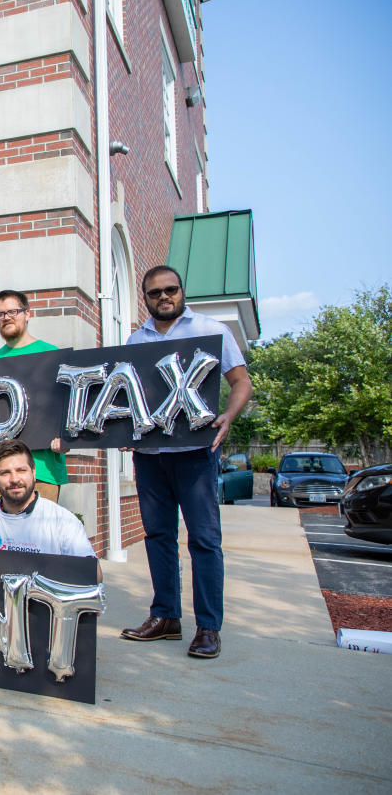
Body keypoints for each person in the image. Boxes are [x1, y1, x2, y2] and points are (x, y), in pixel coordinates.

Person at [119, 265, 252, 660]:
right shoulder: (134, 339)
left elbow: (241, 381)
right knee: (158, 538)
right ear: (145, 297)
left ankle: (208, 628)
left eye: (170, 290)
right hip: (149, 457)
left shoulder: (211, 331)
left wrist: (228, 415)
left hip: (196, 455)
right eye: (154, 292)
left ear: (181, 291)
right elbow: (128, 392)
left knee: (204, 541)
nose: (164, 297)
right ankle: (166, 617)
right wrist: (124, 430)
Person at [0, 290, 68, 505]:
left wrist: (67, 438)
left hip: (41, 466)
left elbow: (67, 408)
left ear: (27, 314)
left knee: (39, 534)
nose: (6, 317)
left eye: (13, 311)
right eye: (0, 314)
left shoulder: (51, 355)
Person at [0, 439, 98, 566]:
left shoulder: (63, 520)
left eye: (21, 471)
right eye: (5, 473)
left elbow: (92, 575)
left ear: (33, 472)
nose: (14, 479)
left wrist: (68, 438)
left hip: (46, 459)